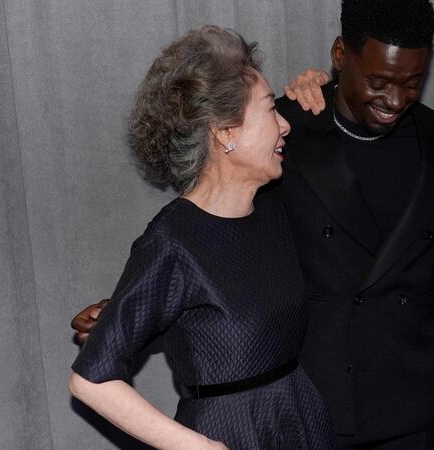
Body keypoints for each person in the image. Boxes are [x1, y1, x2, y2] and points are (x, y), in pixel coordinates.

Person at [71, 1, 434, 448]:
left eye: (412, 83)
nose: (395, 99)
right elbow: (209, 241)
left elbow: (236, 283)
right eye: (378, 81)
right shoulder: (186, 226)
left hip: (360, 412)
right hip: (273, 418)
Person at [68, 25, 335, 449]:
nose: (285, 125)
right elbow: (90, 380)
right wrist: (197, 447)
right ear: (225, 132)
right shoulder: (172, 241)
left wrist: (324, 84)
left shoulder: (273, 211)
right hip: (229, 432)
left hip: (300, 421)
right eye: (270, 110)